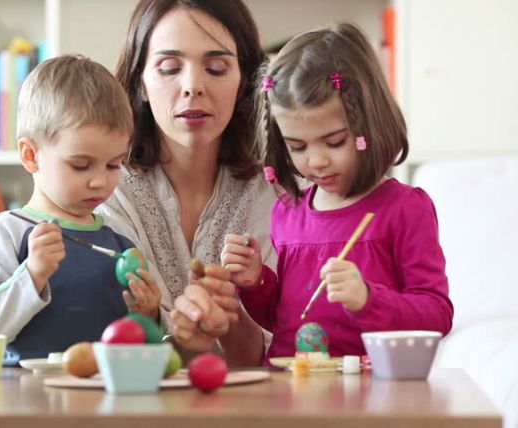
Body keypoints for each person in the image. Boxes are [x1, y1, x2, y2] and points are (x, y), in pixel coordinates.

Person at [174, 22, 454, 365]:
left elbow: (437, 315)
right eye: (298, 146)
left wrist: (368, 299)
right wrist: (256, 280)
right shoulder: (288, 212)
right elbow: (286, 319)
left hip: (370, 392)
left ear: (369, 125)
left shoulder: (405, 209)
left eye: (334, 141)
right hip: (291, 388)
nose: (317, 161)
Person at [0, 55, 161, 363]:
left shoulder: (119, 235)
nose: (100, 181)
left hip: (105, 392)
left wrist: (148, 315)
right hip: (26, 397)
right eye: (81, 165)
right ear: (31, 156)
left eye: (114, 164)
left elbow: (141, 339)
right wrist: (32, 273)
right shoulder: (10, 231)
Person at [98, 0, 276, 334]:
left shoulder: (278, 192)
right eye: (169, 67)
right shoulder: (106, 190)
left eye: (217, 68)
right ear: (140, 83)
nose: (193, 86)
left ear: (244, 83)